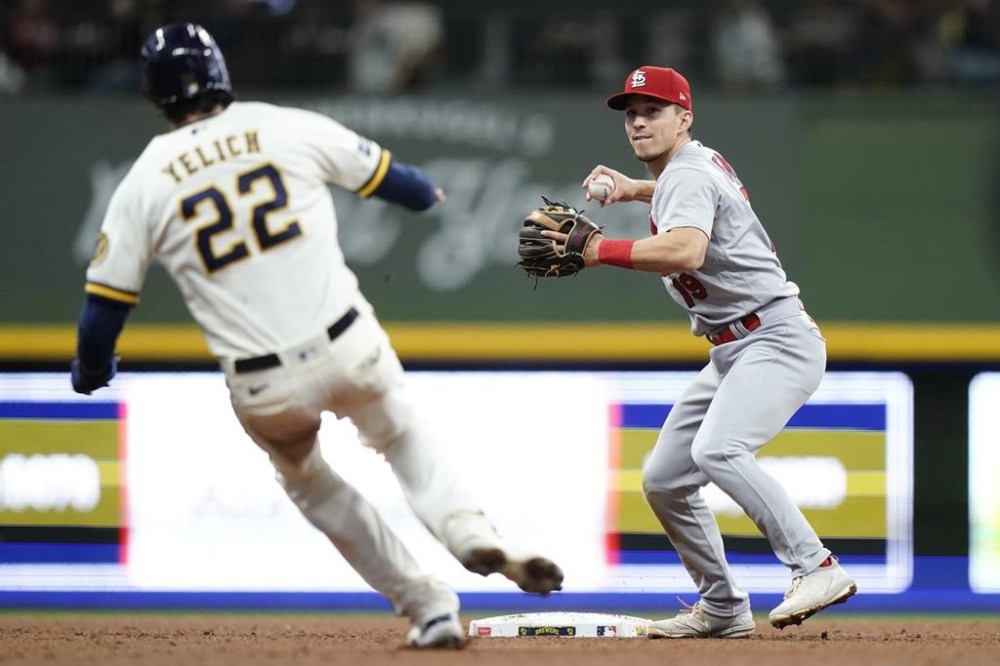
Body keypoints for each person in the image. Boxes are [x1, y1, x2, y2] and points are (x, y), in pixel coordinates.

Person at [70, 22, 563, 650]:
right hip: (346, 343)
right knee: (401, 434)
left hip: (262, 384)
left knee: (306, 479)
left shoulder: (145, 179)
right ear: (221, 73)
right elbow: (400, 183)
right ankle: (468, 533)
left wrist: (90, 369)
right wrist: (427, 195)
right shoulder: (282, 125)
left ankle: (427, 605)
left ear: (154, 94)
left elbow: (103, 309)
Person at [561, 65, 856, 638]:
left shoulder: (687, 175)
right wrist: (632, 188)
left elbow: (686, 250)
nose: (640, 121)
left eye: (654, 110)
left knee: (719, 449)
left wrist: (600, 250)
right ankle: (722, 606)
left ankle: (816, 565)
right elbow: (693, 191)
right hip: (735, 348)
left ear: (684, 117)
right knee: (665, 479)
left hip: (773, 339)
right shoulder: (693, 166)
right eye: (631, 113)